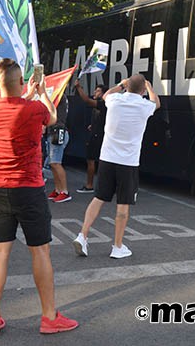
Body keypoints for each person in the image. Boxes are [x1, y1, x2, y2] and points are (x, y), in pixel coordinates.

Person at [0, 58, 78, 336]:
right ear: (22, 82)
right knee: (40, 250)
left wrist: (25, 93)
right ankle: (49, 317)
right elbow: (52, 117)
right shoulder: (34, 108)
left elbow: (11, 103)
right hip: (29, 188)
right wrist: (43, 91)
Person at [73, 74, 159, 259]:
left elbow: (106, 94)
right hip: (128, 163)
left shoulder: (114, 100)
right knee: (123, 204)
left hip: (107, 159)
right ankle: (117, 246)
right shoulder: (144, 106)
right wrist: (150, 88)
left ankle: (83, 235)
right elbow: (156, 103)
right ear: (143, 90)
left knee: (98, 198)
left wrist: (121, 84)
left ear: (127, 86)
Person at [74, 80, 107, 193]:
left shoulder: (103, 104)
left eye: (98, 91)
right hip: (99, 134)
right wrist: (92, 125)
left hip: (97, 136)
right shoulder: (103, 105)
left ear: (103, 94)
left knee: (91, 160)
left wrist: (78, 87)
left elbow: (87, 100)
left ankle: (89, 185)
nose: (95, 92)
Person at [46, 93, 71, 203]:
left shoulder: (58, 96)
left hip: (58, 131)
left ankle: (64, 192)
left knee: (56, 163)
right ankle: (58, 189)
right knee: (53, 163)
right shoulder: (58, 96)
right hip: (54, 132)